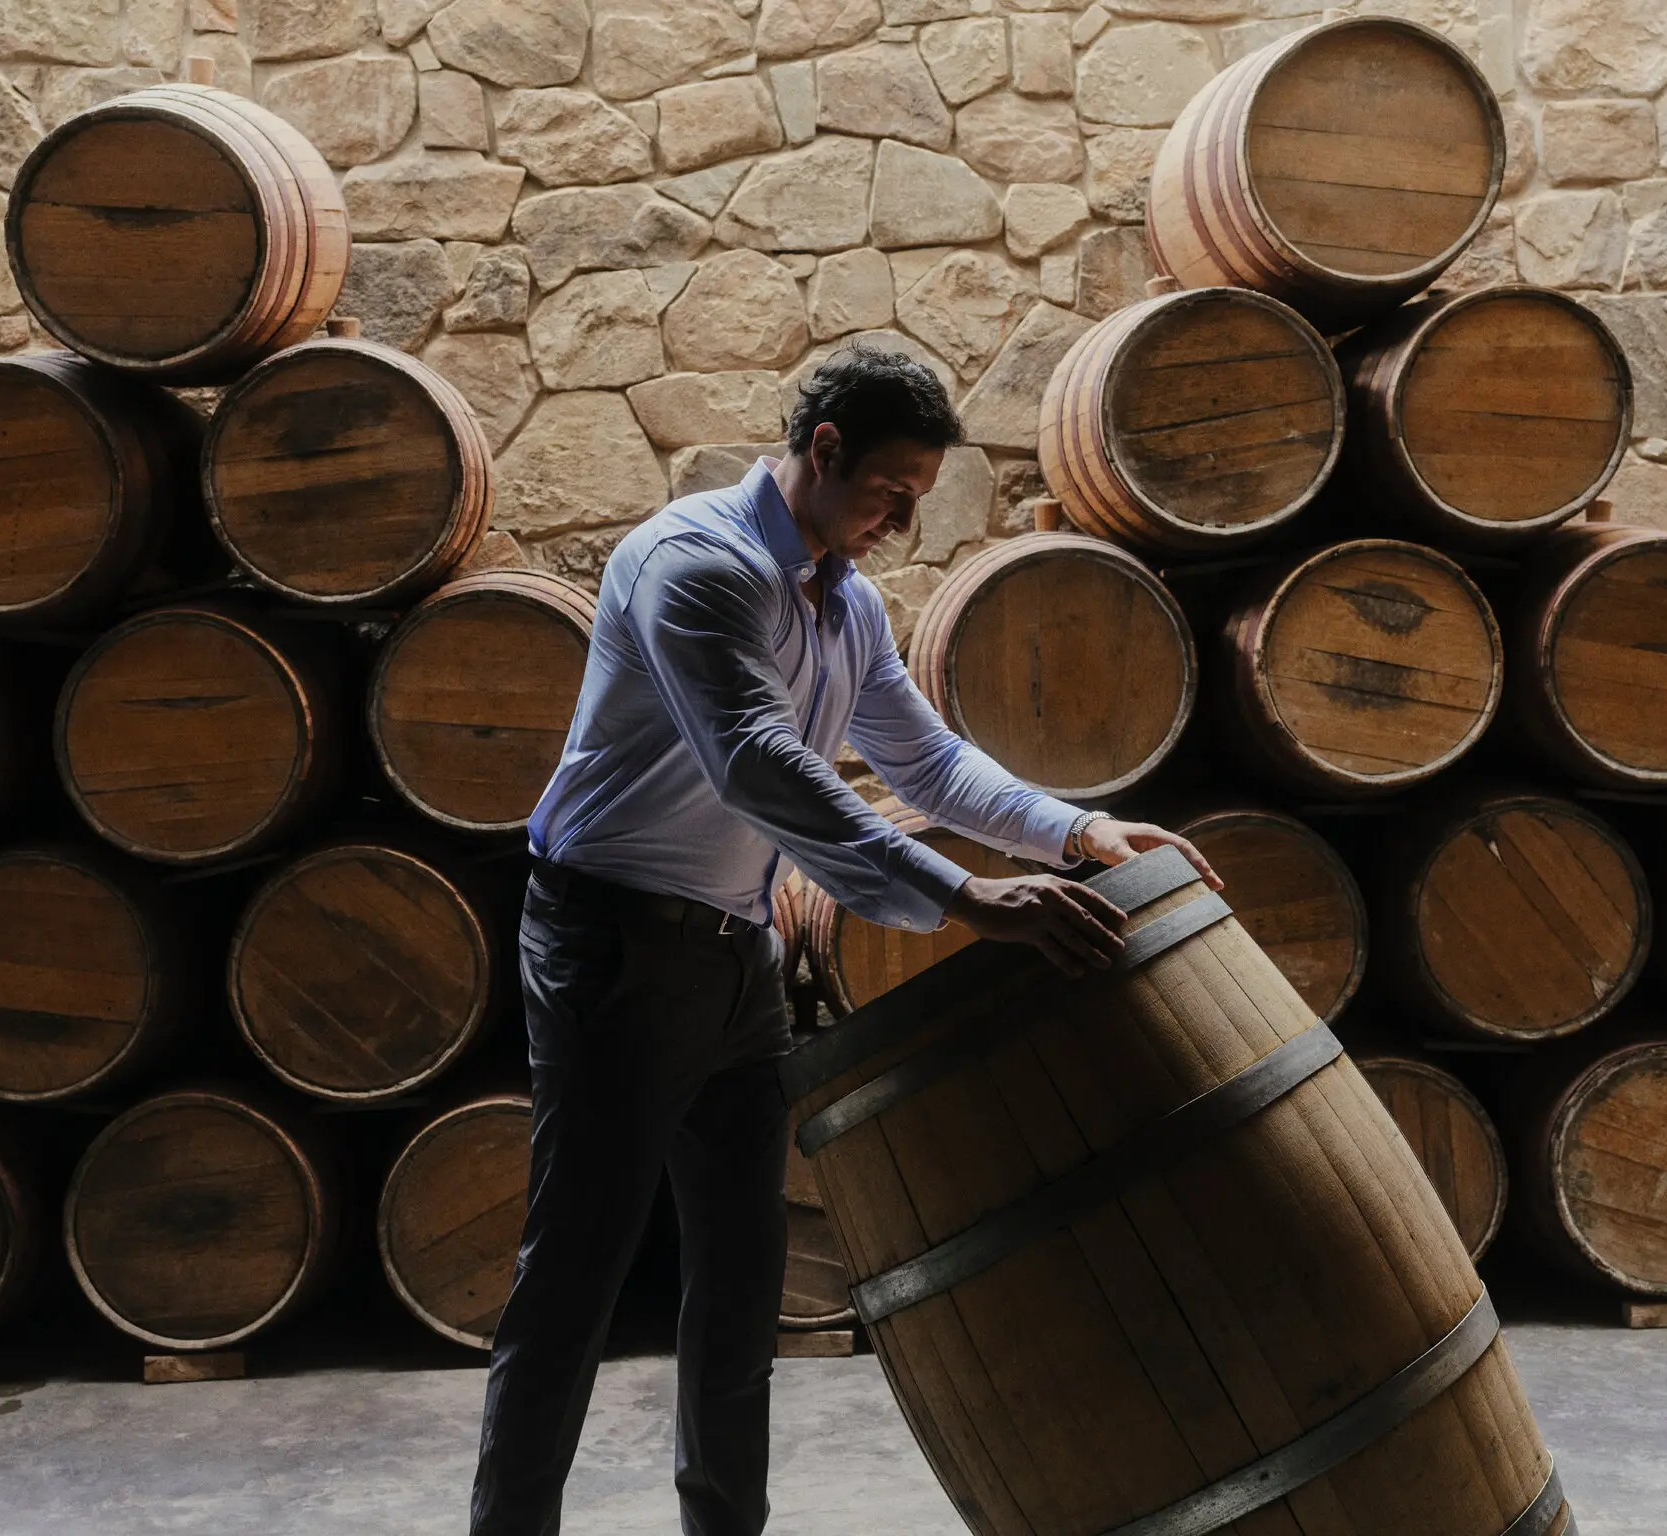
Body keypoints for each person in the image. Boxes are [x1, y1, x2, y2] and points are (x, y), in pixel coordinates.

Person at [469, 343, 1223, 1536]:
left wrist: (1075, 833)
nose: (901, 523)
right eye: (890, 492)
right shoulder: (693, 567)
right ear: (822, 451)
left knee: (740, 1275)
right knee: (573, 1277)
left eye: (916, 497)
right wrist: (961, 900)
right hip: (614, 948)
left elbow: (925, 759)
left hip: (736, 950)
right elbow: (758, 764)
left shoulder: (847, 600)